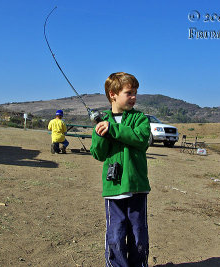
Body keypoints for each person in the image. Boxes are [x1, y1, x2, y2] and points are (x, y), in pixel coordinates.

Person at [90, 72, 151, 267]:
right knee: (115, 234)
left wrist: (113, 130)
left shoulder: (140, 119)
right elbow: (98, 154)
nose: (134, 97)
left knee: (138, 233)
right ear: (113, 94)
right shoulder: (103, 121)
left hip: (137, 187)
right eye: (129, 93)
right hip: (113, 189)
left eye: (135, 93)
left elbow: (141, 140)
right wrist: (100, 133)